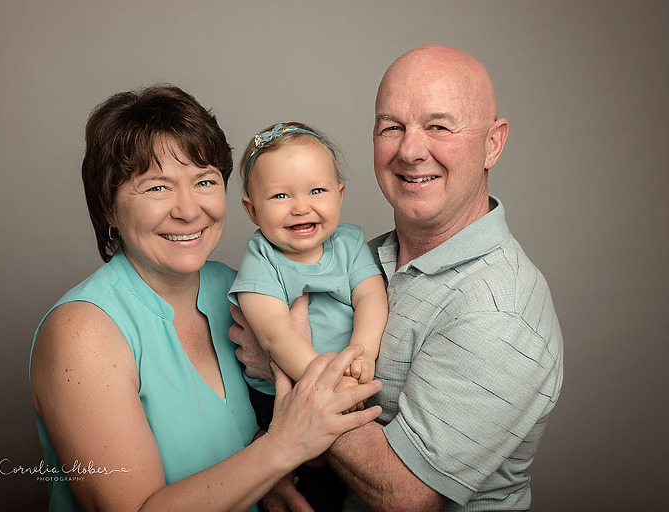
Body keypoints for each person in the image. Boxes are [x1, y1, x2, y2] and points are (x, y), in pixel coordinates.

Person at [230, 45, 564, 511]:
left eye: (438, 126)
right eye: (391, 127)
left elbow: (404, 495)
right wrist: (267, 469)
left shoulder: (498, 310)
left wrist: (284, 370)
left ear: (493, 143)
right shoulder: (366, 256)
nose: (409, 151)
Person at [29, 85, 383, 512]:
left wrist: (265, 479)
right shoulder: (80, 333)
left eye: (204, 181)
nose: (189, 210)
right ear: (108, 208)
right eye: (157, 188)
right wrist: (280, 448)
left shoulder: (236, 289)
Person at [228, 122, 388, 511]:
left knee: (348, 487)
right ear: (252, 210)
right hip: (280, 396)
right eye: (280, 195)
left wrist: (364, 351)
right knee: (305, 492)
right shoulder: (262, 258)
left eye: (316, 191)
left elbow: (371, 296)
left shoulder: (349, 243)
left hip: (347, 380)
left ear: (339, 194)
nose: (301, 207)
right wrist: (325, 384)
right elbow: (274, 334)